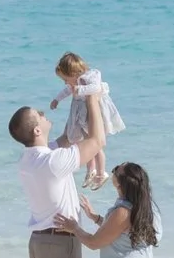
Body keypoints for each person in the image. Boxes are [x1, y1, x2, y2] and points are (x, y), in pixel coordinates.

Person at [9, 104, 107, 258]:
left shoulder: (29, 160)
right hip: (60, 242)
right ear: (36, 132)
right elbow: (97, 140)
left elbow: (67, 139)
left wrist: (78, 101)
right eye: (40, 115)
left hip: (39, 243)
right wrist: (93, 98)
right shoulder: (53, 162)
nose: (44, 114)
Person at [48, 53, 125, 189]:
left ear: (74, 73)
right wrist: (56, 99)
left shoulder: (90, 76)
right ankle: (91, 170)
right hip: (82, 115)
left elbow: (96, 88)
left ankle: (101, 173)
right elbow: (67, 91)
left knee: (96, 145)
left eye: (66, 79)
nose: (66, 83)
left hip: (93, 114)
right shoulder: (74, 83)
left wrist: (79, 89)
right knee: (85, 142)